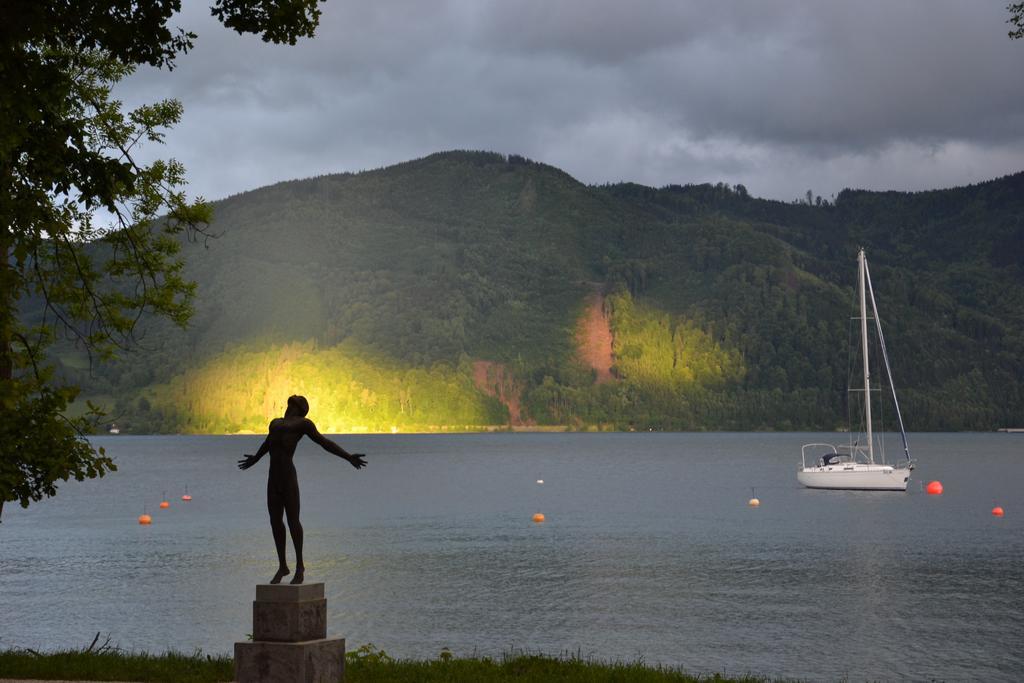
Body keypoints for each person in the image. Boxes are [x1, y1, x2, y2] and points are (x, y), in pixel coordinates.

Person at [238, 395, 366, 584]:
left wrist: (348, 457)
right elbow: (268, 443)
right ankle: (283, 565)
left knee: (293, 521)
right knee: (275, 521)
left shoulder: (303, 424)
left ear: (299, 407)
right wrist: (255, 459)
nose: (289, 406)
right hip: (273, 478)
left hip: (288, 477)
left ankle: (300, 566)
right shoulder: (275, 423)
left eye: (293, 404)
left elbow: (324, 443)